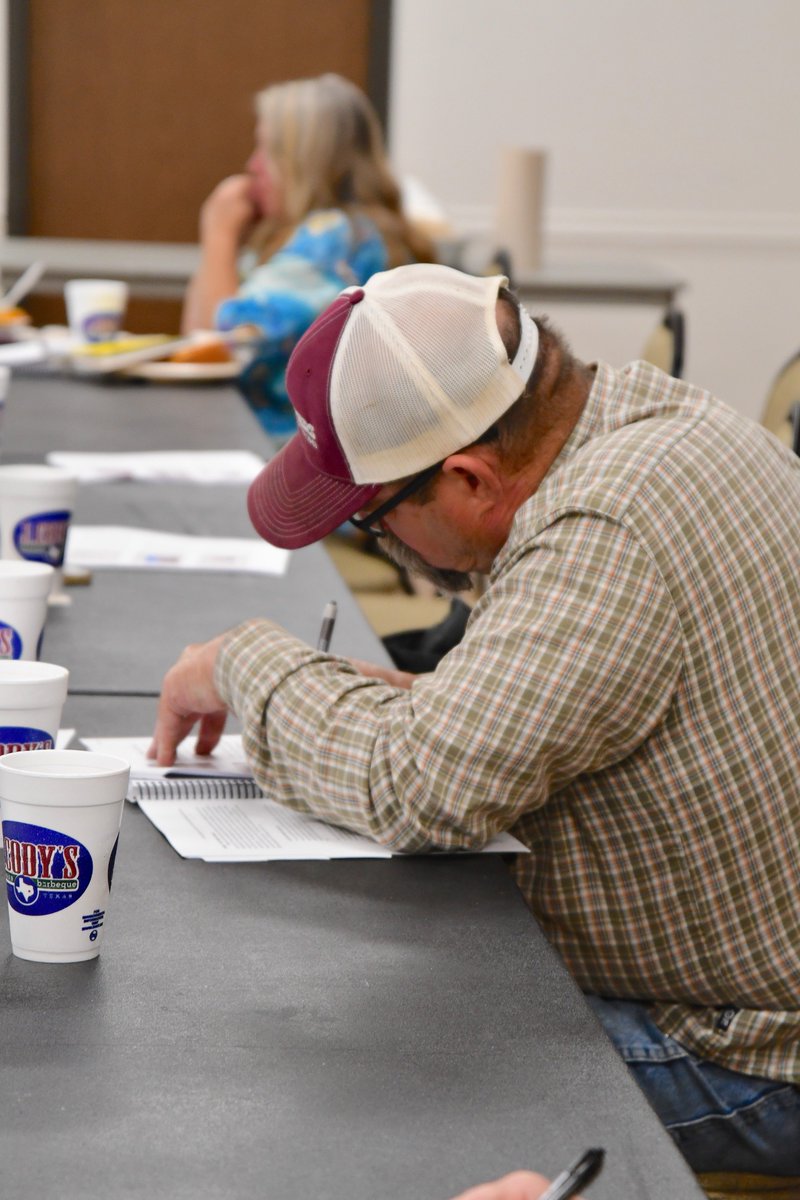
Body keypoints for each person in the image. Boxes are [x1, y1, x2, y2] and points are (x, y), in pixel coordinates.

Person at [151, 263, 800, 1175]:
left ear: (469, 478)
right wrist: (415, 701)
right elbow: (595, 697)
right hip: (758, 991)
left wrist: (243, 663)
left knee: (355, 1085)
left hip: (746, 1054)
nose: (384, 546)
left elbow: (414, 788)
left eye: (372, 523)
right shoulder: (659, 424)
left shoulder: (599, 536)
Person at [181, 72, 434, 438]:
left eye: (266, 150)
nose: (253, 166)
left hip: (279, 453)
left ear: (302, 160)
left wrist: (218, 234)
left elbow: (211, 349)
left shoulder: (331, 242)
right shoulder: (347, 232)